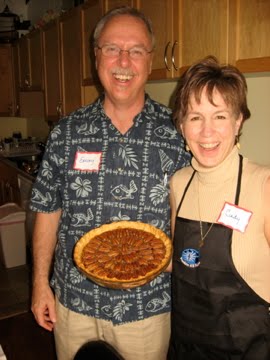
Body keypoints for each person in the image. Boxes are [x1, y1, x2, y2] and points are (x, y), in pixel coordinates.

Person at [29, 6, 190, 360]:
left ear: (150, 61)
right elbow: (47, 209)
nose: (123, 61)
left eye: (135, 51)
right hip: (74, 304)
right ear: (96, 56)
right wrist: (40, 284)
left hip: (146, 308)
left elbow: (190, 212)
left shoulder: (178, 134)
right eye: (112, 48)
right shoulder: (66, 133)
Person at [168, 55, 270, 359]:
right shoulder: (179, 183)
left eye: (220, 116)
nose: (207, 132)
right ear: (182, 125)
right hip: (186, 347)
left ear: (238, 121)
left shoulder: (264, 184)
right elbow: (181, 264)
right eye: (195, 117)